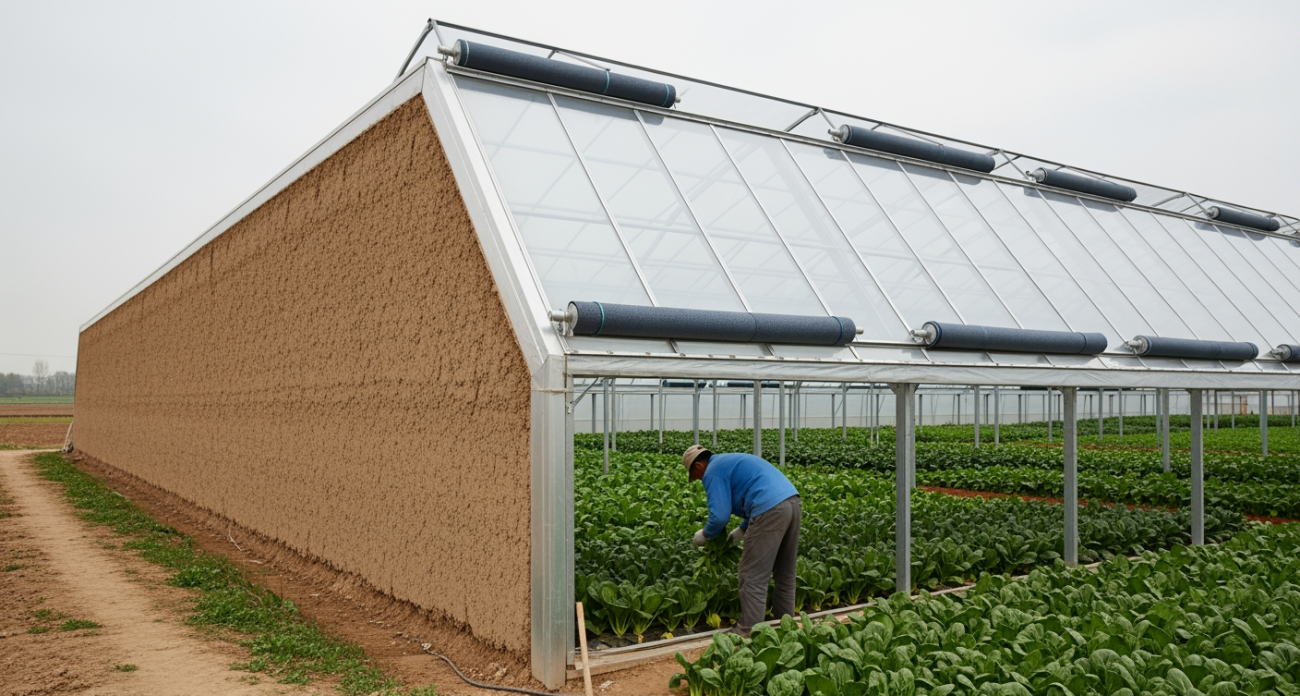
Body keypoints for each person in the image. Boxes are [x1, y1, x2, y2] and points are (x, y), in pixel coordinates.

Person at [682, 444, 801, 637]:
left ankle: (747, 630)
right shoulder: (728, 460)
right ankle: (786, 626)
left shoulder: (712, 471)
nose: (700, 480)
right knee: (785, 572)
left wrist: (705, 534)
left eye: (696, 477)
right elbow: (758, 489)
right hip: (792, 503)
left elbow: (720, 516)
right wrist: (743, 529)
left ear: (697, 467)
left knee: (752, 575)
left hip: (770, 509)